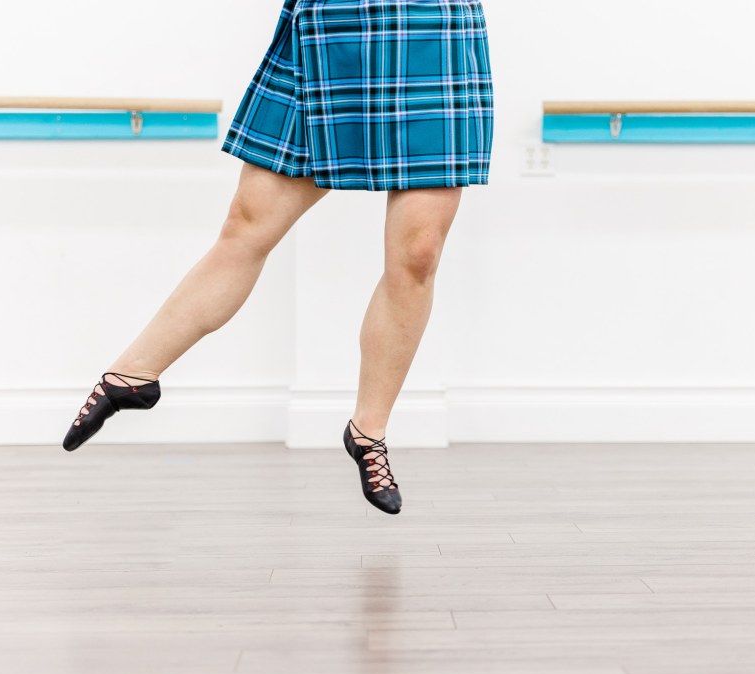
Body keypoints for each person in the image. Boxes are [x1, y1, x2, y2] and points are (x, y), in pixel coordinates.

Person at [61, 0, 494, 516]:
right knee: (248, 223)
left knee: (418, 253)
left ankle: (368, 432)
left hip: (433, 30)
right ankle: (133, 375)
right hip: (332, 28)